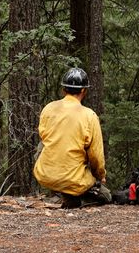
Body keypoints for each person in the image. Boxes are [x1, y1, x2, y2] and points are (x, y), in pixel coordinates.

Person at [33, 68, 111, 208]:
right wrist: (100, 176)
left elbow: (44, 139)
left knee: (45, 142)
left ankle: (57, 191)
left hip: (44, 175)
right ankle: (71, 195)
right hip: (73, 179)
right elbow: (96, 156)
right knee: (106, 196)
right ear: (83, 91)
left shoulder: (49, 108)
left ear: (64, 90)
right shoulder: (89, 116)